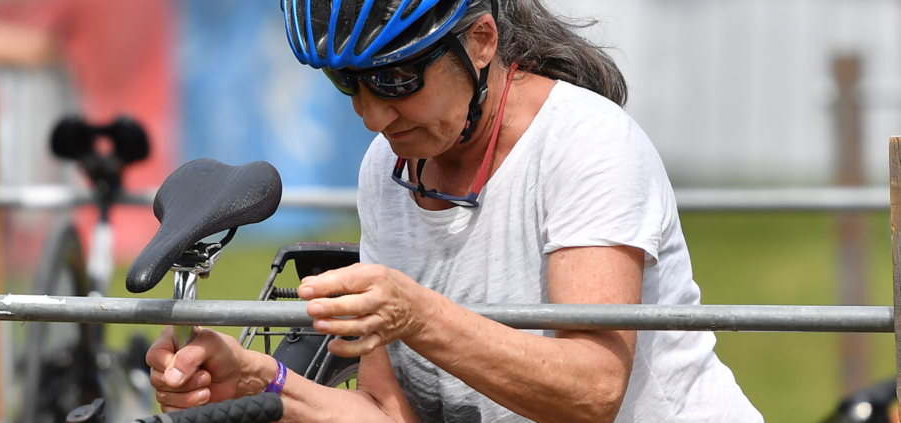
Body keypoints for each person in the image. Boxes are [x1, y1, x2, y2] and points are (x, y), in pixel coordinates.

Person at [146, 0, 764, 421]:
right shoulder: (384, 168)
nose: (371, 115)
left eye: (394, 81)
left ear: (480, 41)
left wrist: (416, 316)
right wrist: (260, 382)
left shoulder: (585, 143)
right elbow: (389, 416)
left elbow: (592, 392)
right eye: (348, 84)